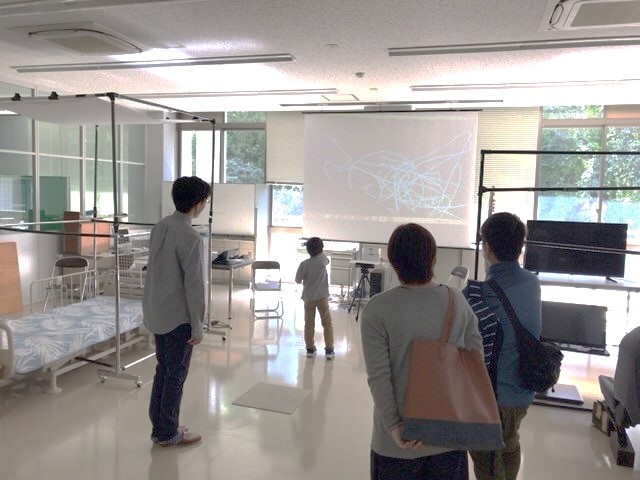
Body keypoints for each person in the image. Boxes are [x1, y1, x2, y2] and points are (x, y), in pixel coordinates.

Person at [361, 223, 483, 480]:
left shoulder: (377, 309)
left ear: (393, 261)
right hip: (449, 436)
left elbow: (379, 376)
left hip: (397, 443)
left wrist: (394, 426)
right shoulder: (457, 300)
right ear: (433, 258)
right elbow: (475, 362)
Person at [462, 212, 542, 480]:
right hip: (523, 390)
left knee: (487, 461)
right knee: (510, 443)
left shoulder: (477, 294)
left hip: (493, 397)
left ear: (486, 247)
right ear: (520, 246)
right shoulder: (532, 282)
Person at [142, 175, 211, 447]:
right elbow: (195, 286)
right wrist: (198, 324)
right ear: (198, 203)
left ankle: (161, 426)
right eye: (204, 201)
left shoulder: (160, 226)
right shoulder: (191, 237)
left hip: (157, 311)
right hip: (178, 319)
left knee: (164, 370)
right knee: (175, 376)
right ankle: (168, 433)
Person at [295, 237, 335, 359]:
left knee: (309, 324)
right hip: (322, 298)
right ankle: (329, 350)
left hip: (308, 298)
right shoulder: (323, 261)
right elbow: (326, 258)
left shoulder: (304, 264)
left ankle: (310, 349)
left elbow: (297, 280)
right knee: (327, 323)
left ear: (307, 250)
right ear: (321, 249)